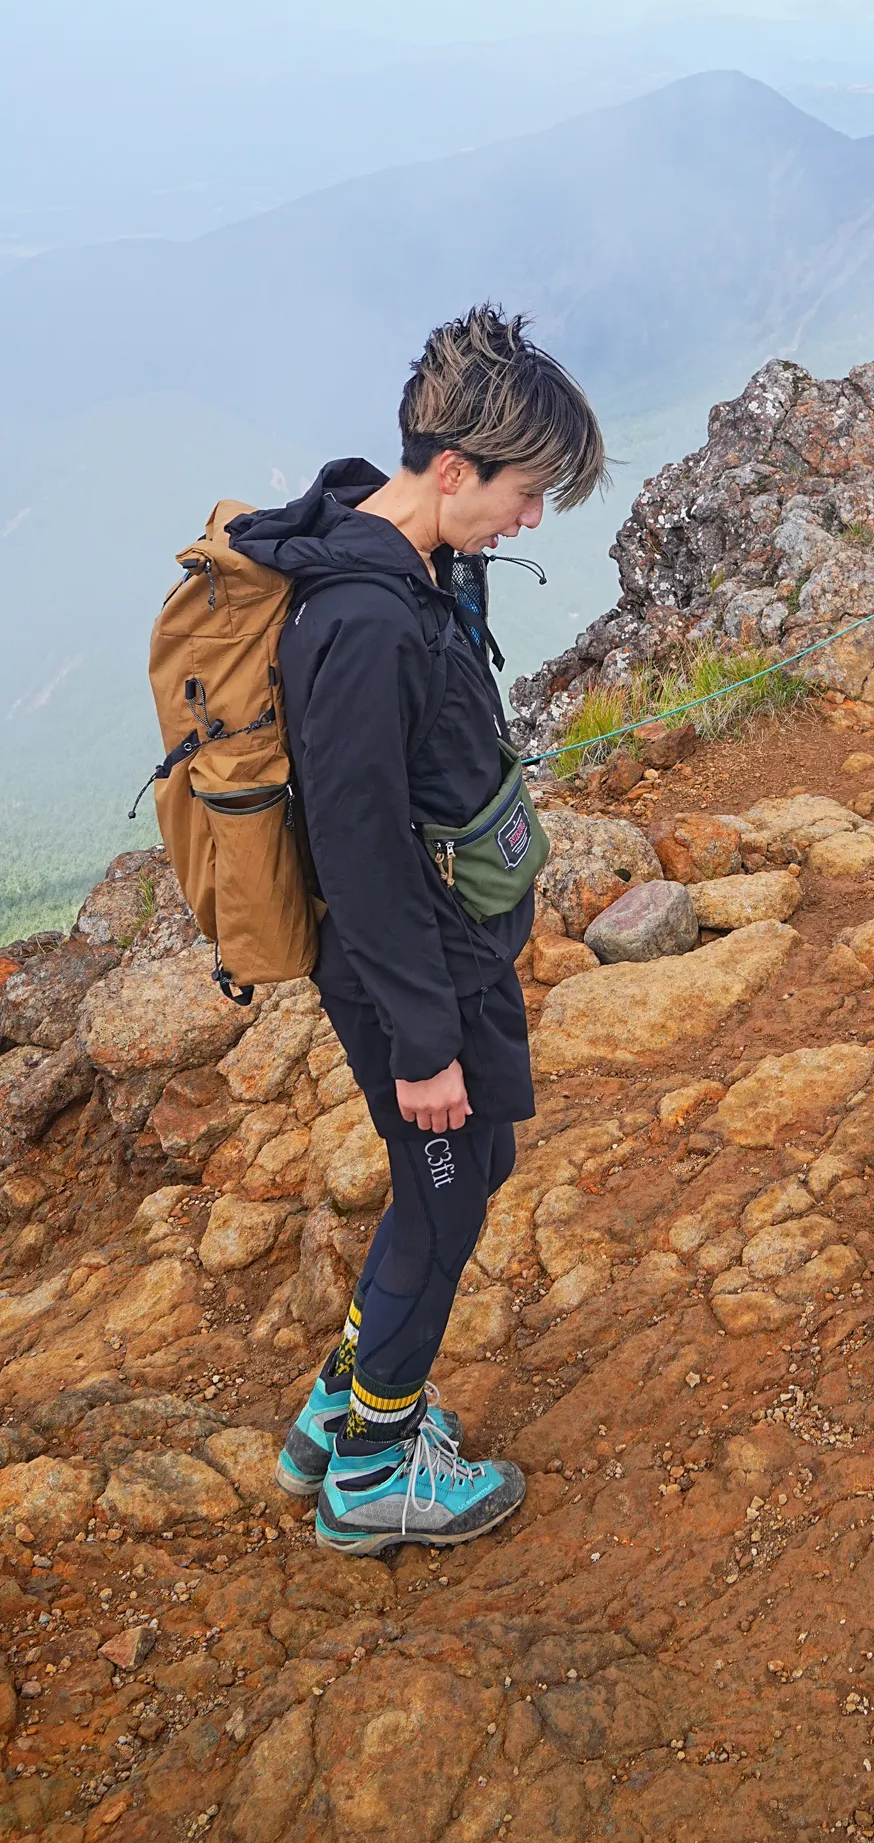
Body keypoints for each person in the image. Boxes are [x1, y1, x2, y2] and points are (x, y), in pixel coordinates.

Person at [229, 304, 605, 1550]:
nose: (532, 518)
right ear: (454, 470)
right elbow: (357, 850)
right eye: (527, 491)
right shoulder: (366, 623)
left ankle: (340, 1406)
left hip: (448, 954)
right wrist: (425, 1044)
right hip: (414, 973)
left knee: (471, 1172)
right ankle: (374, 1470)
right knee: (445, 1199)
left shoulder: (420, 565)